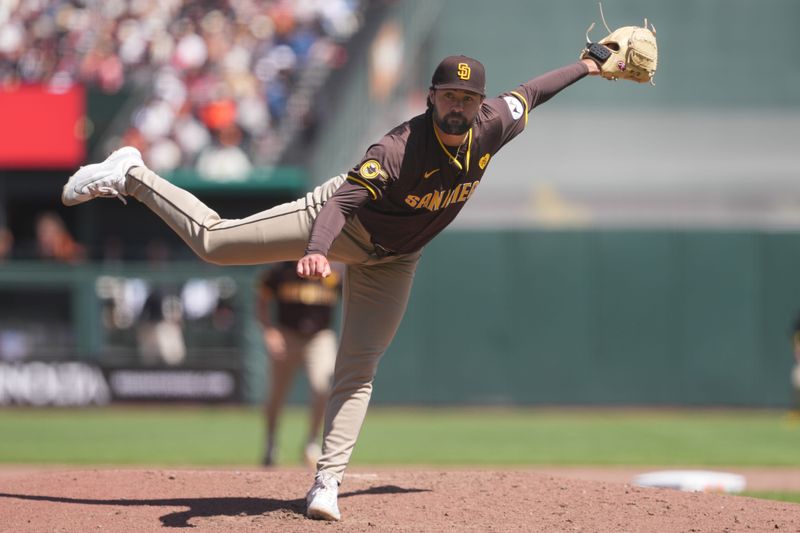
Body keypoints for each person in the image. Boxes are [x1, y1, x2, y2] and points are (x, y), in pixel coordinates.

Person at [62, 53, 601, 521]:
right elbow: (343, 203)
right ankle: (132, 174)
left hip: (395, 258)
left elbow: (533, 91)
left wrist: (591, 64)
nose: (459, 106)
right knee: (216, 244)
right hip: (340, 223)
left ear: (479, 102)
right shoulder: (398, 147)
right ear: (432, 97)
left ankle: (326, 482)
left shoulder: (492, 123)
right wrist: (317, 249)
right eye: (449, 96)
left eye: (468, 96)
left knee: (359, 367)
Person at [257, 261, 341, 468]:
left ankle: (311, 443)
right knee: (276, 395)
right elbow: (260, 301)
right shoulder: (281, 270)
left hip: (319, 336)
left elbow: (354, 300)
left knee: (322, 386)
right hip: (286, 335)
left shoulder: (332, 271)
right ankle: (271, 441)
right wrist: (269, 330)